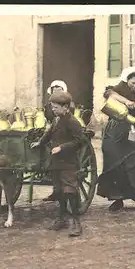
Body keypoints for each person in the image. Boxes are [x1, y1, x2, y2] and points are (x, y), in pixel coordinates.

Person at [96, 66, 135, 213]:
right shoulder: (118, 88)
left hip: (134, 133)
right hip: (116, 132)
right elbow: (109, 93)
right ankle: (117, 199)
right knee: (115, 165)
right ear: (127, 79)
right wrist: (127, 102)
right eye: (133, 82)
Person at [31, 90, 86, 236]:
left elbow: (79, 141)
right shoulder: (56, 120)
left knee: (70, 191)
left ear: (66, 107)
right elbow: (49, 134)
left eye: (56, 107)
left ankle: (76, 222)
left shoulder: (73, 122)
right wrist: (40, 143)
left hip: (68, 162)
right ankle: (61, 219)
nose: (53, 110)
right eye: (52, 107)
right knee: (59, 191)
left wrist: (62, 148)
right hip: (56, 162)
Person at [42, 80, 68, 202]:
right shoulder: (48, 106)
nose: (56, 94)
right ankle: (56, 190)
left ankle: (66, 193)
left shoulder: (67, 106)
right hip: (50, 129)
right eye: (54, 92)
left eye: (59, 91)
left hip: (63, 133)